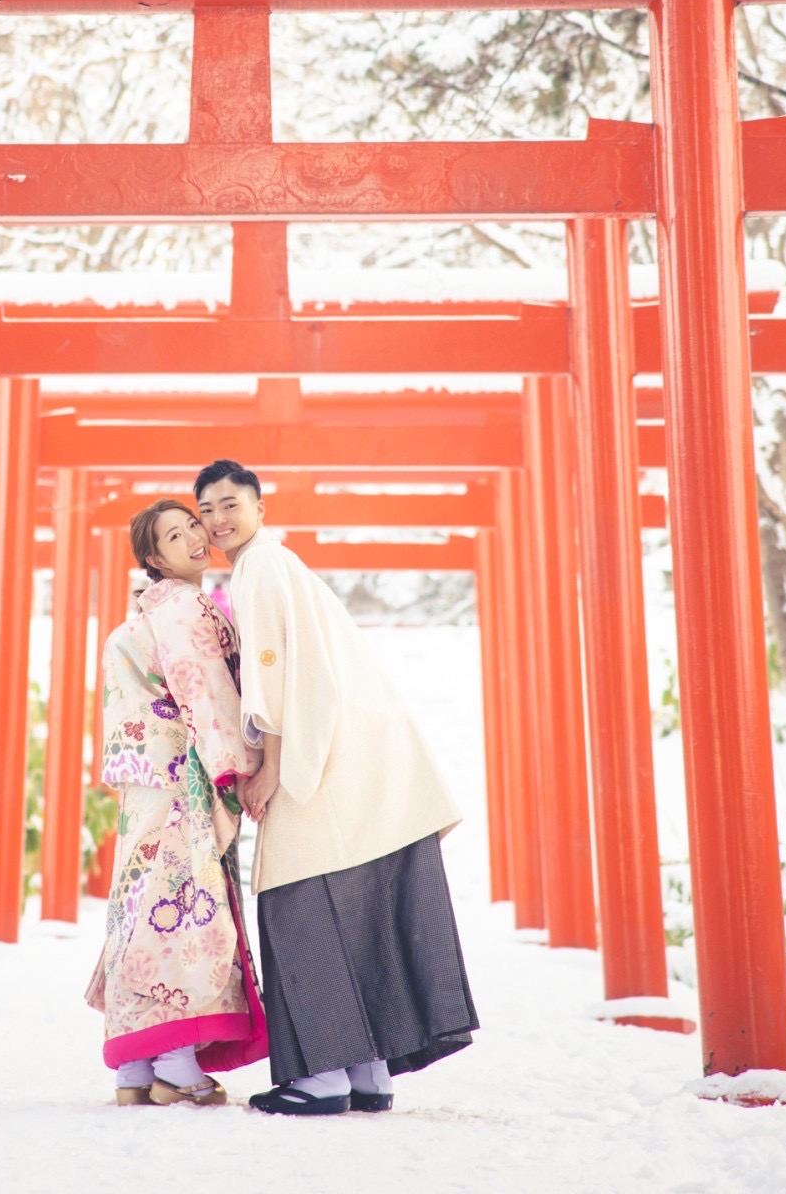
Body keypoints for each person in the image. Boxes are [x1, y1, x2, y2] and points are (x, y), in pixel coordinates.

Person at [199, 458, 478, 1117]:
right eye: (206, 509)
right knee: (355, 903)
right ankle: (368, 1069)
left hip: (314, 748)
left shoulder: (261, 567)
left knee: (297, 904)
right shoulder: (277, 563)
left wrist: (268, 765)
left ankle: (322, 1075)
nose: (218, 518)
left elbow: (274, 672)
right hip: (359, 746)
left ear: (259, 508)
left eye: (230, 503)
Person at [85, 498, 268, 1106]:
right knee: (187, 906)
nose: (194, 536)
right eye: (174, 534)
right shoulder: (185, 607)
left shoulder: (148, 613)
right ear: (153, 559)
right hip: (181, 777)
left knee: (141, 901)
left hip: (145, 779)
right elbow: (204, 690)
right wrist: (238, 767)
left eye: (193, 525)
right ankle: (177, 1059)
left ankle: (135, 1069)